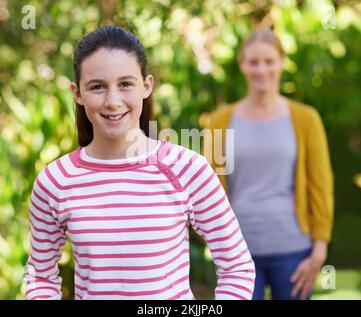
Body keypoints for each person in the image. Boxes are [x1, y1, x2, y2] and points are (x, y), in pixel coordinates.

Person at [23, 25, 255, 300]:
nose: (112, 101)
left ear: (146, 86)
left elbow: (237, 266)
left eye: (125, 84)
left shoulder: (188, 169)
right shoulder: (55, 181)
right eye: (97, 87)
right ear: (77, 93)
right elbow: (40, 276)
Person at [204, 28, 333, 300]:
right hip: (237, 252)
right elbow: (210, 191)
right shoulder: (219, 121)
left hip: (293, 250)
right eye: (253, 62)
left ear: (281, 62)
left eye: (268, 61)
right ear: (242, 65)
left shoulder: (306, 119)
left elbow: (320, 185)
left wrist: (319, 249)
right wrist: (216, 246)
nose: (261, 70)